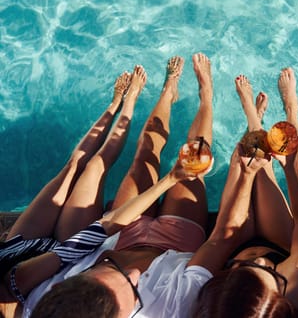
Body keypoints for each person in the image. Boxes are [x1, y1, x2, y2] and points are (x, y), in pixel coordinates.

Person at [25, 53, 214, 318]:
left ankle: (169, 91)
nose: (132, 276)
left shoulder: (44, 300)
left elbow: (86, 239)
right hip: (177, 243)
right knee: (197, 156)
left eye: (91, 278)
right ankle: (207, 94)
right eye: (132, 290)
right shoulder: (165, 310)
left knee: (146, 152)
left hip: (123, 235)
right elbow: (218, 246)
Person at [0, 65, 146, 318]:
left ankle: (113, 106)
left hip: (18, 250)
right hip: (65, 255)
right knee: (95, 166)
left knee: (71, 167)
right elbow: (72, 249)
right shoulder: (19, 295)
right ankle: (130, 101)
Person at [191, 68, 298, 317]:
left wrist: (245, 174)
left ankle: (254, 120)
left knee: (243, 161)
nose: (259, 261)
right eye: (270, 273)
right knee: (283, 168)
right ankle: (290, 110)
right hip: (279, 243)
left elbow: (218, 239)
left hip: (233, 244)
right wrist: (289, 168)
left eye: (246, 271)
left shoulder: (208, 299)